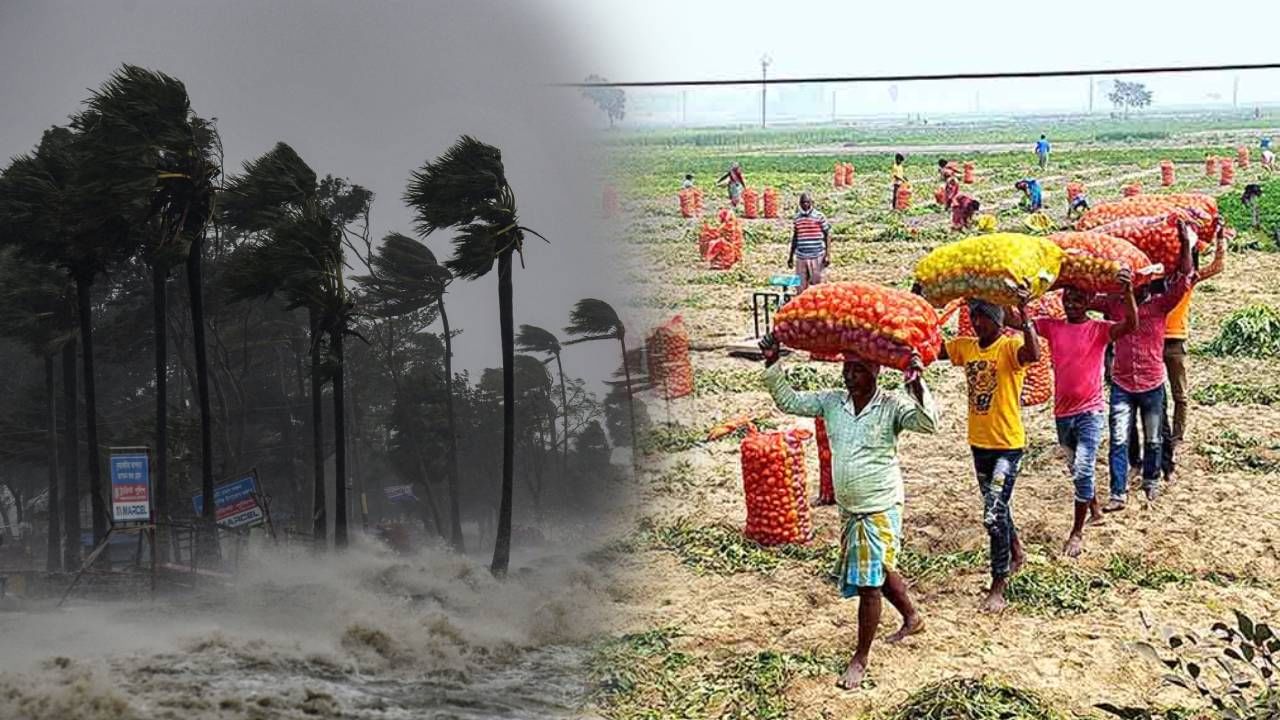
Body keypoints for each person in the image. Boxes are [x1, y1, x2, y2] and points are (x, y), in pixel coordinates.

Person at [758, 336, 938, 691]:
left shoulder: (891, 406)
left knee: (869, 583)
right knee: (880, 568)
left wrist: (917, 384)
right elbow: (789, 400)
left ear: (875, 372)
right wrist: (772, 362)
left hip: (881, 505)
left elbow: (929, 423)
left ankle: (861, 657)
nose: (850, 376)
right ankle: (912, 617)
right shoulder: (832, 402)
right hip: (850, 508)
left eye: (858, 370)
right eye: (846, 369)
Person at [937, 291, 1040, 612]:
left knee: (993, 513)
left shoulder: (1009, 348)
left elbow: (1033, 354)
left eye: (982, 317)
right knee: (998, 504)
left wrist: (1024, 315)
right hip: (979, 444)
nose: (977, 322)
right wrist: (924, 308)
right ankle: (1017, 551)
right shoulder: (967, 348)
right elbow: (935, 349)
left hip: (1007, 446)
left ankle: (998, 584)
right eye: (974, 317)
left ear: (996, 319)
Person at [1033, 269, 1138, 557]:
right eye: (1068, 298)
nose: (1072, 304)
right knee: (1075, 469)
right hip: (1062, 414)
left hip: (1090, 412)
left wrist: (1127, 293)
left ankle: (1076, 532)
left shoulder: (1098, 330)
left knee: (1082, 468)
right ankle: (1094, 511)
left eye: (1078, 299)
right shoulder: (1053, 327)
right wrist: (1017, 299)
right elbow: (1018, 323)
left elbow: (1130, 323)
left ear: (1090, 300)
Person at [1097, 220, 1196, 511]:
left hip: (1152, 383)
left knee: (1153, 439)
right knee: (1118, 439)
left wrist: (1187, 242)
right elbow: (1085, 294)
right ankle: (1118, 492)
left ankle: (1151, 480)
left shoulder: (1159, 305)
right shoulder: (1114, 305)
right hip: (1122, 385)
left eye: (1140, 285)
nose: (1137, 289)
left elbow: (1185, 279)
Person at [1125, 222, 1227, 485]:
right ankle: (1150, 453)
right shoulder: (1156, 282)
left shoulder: (1187, 280)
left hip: (1175, 341)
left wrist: (1220, 240)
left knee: (1179, 395)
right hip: (1150, 341)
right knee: (1156, 399)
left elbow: (1217, 267)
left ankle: (1175, 440)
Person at [788, 192, 832, 292]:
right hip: (801, 256)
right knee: (800, 286)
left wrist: (828, 255)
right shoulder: (797, 218)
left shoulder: (819, 216)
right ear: (800, 204)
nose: (805, 205)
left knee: (819, 286)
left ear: (811, 203)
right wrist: (791, 256)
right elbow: (795, 237)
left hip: (817, 255)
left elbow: (827, 235)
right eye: (803, 203)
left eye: (807, 202)